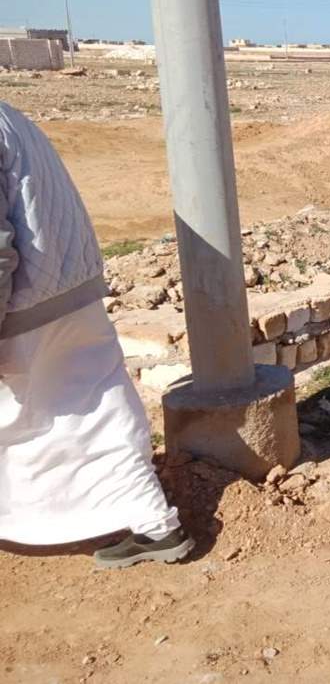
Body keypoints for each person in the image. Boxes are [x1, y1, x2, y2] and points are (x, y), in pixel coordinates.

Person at [0, 101, 192, 568]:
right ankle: (154, 523)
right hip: (69, 287)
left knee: (35, 419)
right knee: (99, 408)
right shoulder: (11, 116)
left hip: (21, 302)